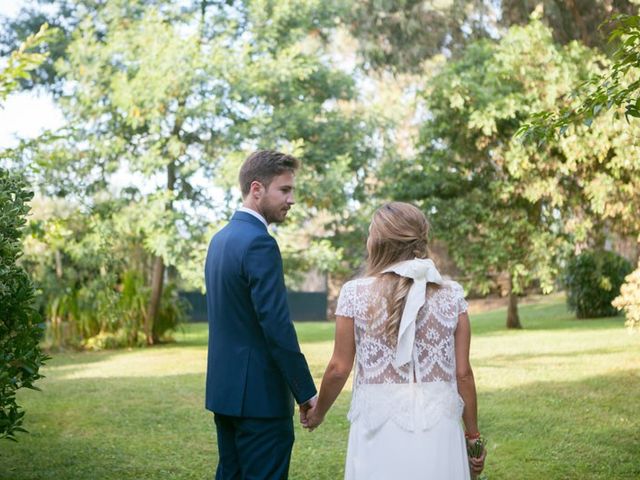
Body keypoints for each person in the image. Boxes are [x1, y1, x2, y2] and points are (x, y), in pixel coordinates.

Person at [302, 202, 486, 479]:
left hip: (379, 424)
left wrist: (318, 413)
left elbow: (339, 368)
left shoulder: (354, 294)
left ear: (376, 242)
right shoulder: (451, 295)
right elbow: (463, 375)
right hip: (439, 424)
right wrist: (473, 437)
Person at [204, 150, 317, 480]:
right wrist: (305, 391)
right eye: (284, 190)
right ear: (257, 189)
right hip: (260, 400)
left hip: (225, 393)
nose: (291, 199)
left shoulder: (219, 240)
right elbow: (276, 326)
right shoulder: (259, 243)